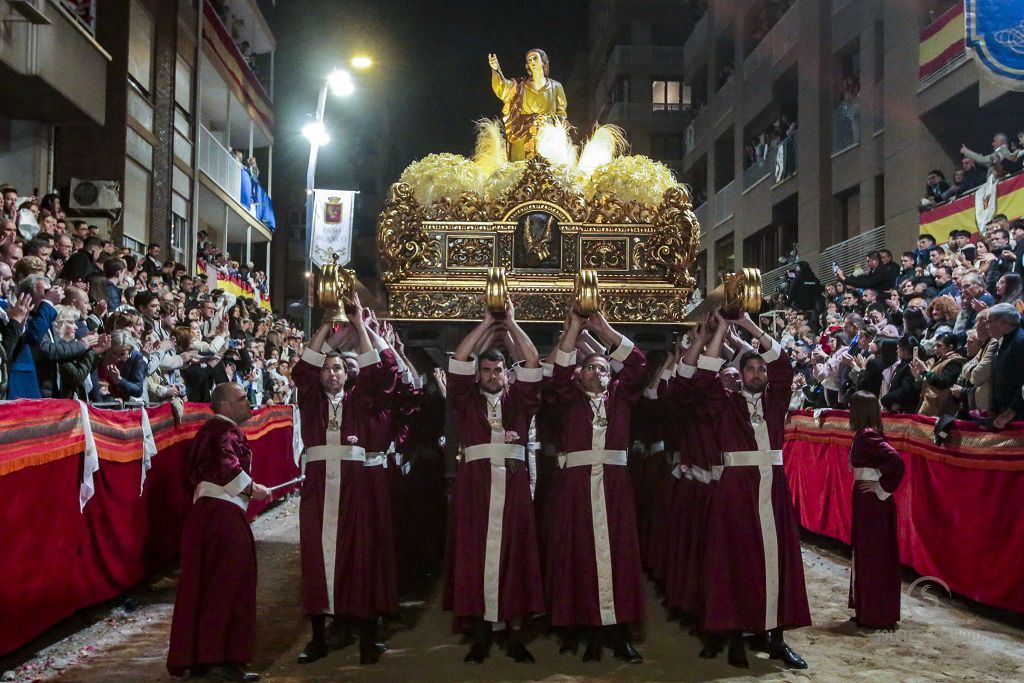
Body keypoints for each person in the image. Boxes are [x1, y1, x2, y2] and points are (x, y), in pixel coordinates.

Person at [681, 311, 809, 669]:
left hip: (774, 489)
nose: (756, 374)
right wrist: (721, 328)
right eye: (750, 369)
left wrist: (750, 327)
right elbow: (700, 379)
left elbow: (783, 364)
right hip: (736, 489)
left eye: (759, 370)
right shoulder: (723, 403)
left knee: (778, 562)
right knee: (737, 562)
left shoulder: (775, 400)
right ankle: (736, 639)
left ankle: (777, 639)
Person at [292, 294, 400, 666]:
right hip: (320, 488)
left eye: (338, 369)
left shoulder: (361, 400)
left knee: (361, 558)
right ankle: (319, 636)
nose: (332, 374)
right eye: (328, 369)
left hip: (356, 490)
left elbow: (382, 371)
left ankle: (367, 638)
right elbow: (302, 369)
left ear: (347, 374)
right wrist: (326, 323)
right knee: (316, 559)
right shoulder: (310, 399)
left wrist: (359, 324)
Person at [444, 301, 544, 664]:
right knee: (475, 558)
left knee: (515, 557)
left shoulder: (520, 399)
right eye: (486, 370)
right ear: (479, 374)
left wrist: (512, 325)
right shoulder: (465, 400)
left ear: (506, 372)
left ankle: (514, 634)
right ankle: (482, 632)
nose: (492, 375)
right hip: (475, 491)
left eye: (497, 369)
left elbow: (532, 364)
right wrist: (487, 323)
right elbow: (458, 360)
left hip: (514, 491)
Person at [547, 307, 646, 663]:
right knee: (581, 555)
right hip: (576, 488)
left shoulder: (621, 397)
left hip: (615, 488)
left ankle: (619, 634)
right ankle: (588, 631)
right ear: (579, 374)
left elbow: (637, 364)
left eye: (603, 368)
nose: (597, 372)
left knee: (618, 556)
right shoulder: (568, 399)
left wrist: (602, 328)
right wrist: (574, 328)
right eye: (590, 367)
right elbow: (556, 376)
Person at [166, 382, 271, 681]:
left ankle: (203, 657)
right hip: (222, 517)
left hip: (207, 516)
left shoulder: (209, 432)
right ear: (224, 406)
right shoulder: (222, 431)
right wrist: (253, 488)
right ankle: (220, 659)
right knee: (228, 585)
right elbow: (227, 464)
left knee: (206, 586)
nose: (249, 402)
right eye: (241, 399)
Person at [847, 391, 905, 629]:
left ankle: (874, 613)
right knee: (869, 553)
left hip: (872, 505)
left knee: (873, 555)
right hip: (869, 501)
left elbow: (896, 461)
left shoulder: (867, 436)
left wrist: (881, 488)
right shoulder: (867, 434)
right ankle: (870, 610)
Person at [488, 49, 567, 160]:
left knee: (548, 172)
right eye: (529, 60)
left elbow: (561, 114)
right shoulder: (520, 86)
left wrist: (548, 121)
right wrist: (496, 70)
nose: (532, 61)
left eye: (535, 58)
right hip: (522, 137)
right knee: (522, 172)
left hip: (548, 139)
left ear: (543, 62)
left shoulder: (556, 87)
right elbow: (503, 88)